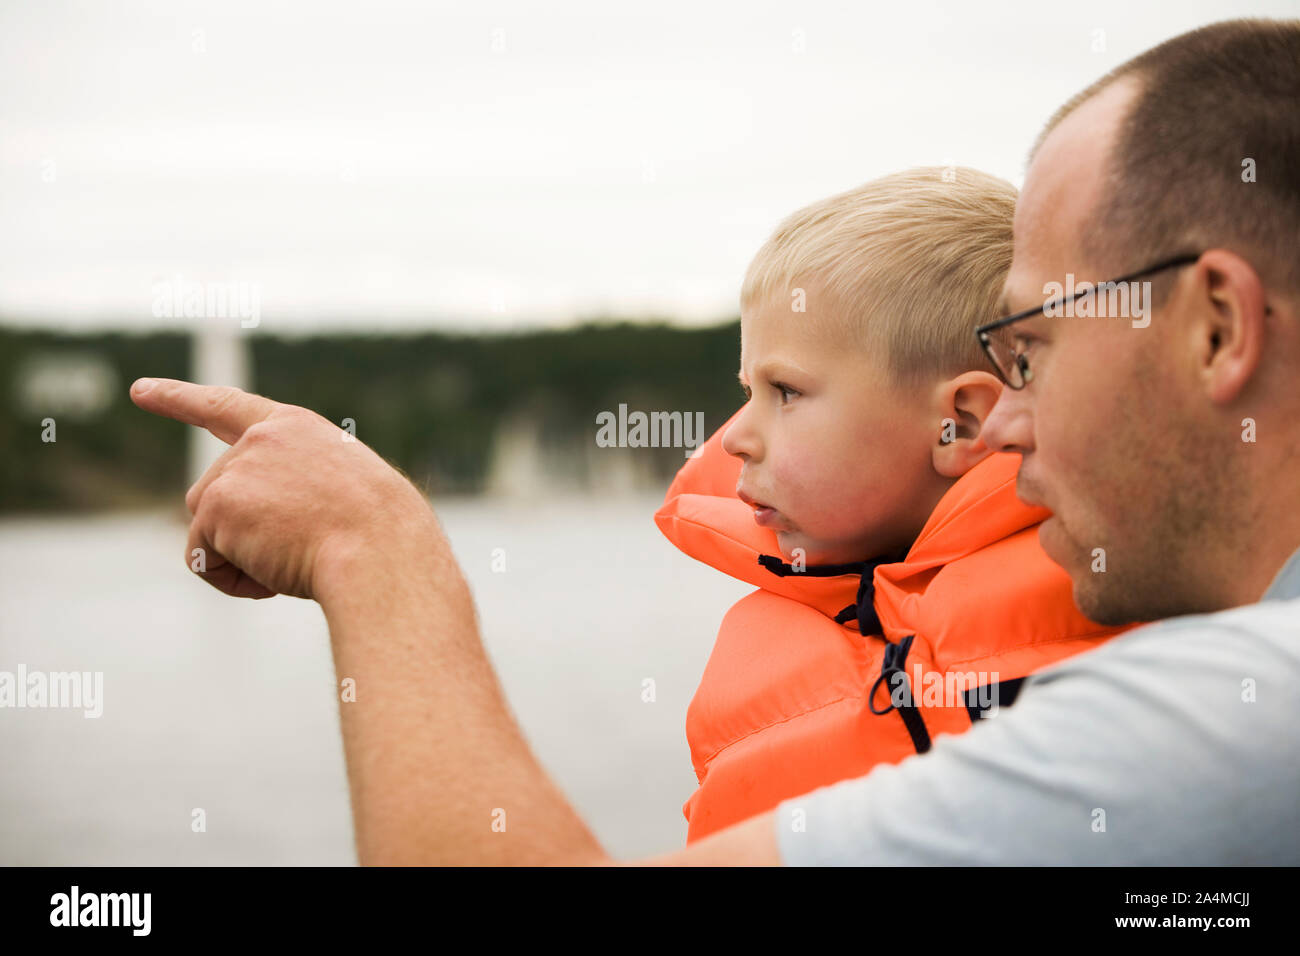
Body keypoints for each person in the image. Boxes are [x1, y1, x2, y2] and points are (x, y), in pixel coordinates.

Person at [129, 16, 1300, 864]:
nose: (1013, 412)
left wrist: (369, 550)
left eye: (1036, 345)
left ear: (1216, 329)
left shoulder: (1231, 718)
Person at [655, 168, 1124, 841]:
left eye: (785, 391)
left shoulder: (1112, 635)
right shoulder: (802, 611)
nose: (734, 437)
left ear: (959, 424)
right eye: (747, 390)